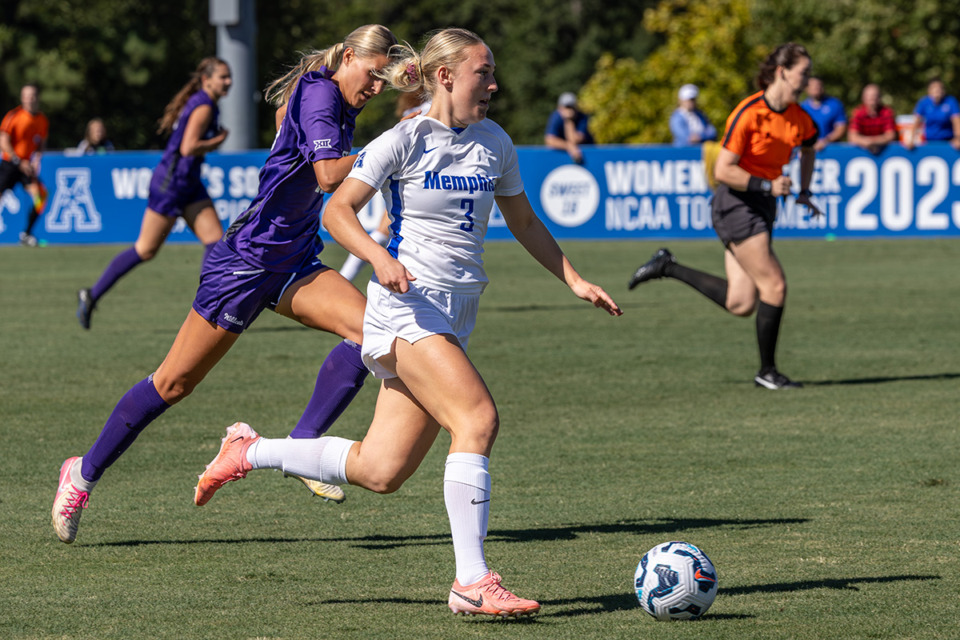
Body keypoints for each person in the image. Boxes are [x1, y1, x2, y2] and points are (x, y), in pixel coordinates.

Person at [193, 28, 622, 618]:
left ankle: (250, 450)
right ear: (445, 77)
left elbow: (523, 221)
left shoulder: (495, 142)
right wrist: (379, 259)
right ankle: (472, 580)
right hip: (406, 311)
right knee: (477, 419)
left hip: (454, 314)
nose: (493, 84)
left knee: (380, 469)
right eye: (482, 72)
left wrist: (573, 278)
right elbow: (338, 209)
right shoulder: (403, 139)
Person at [51, 25, 399, 545]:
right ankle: (81, 474)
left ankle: (302, 444)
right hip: (247, 263)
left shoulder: (326, 88)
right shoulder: (325, 92)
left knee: (373, 332)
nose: (376, 88)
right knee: (173, 384)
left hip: (294, 261)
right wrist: (392, 147)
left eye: (383, 81)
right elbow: (329, 176)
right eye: (372, 75)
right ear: (347, 56)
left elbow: (289, 120)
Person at [627, 42, 820, 390]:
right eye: (802, 73)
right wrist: (767, 185)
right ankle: (768, 372)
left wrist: (804, 190)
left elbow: (808, 148)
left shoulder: (800, 118)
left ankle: (666, 265)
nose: (807, 81)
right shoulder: (748, 113)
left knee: (741, 302)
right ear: (782, 72)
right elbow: (723, 170)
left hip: (761, 204)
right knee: (774, 285)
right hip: (735, 204)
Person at [75, 58, 232, 330]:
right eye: (223, 77)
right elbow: (187, 148)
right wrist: (216, 142)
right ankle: (92, 294)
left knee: (215, 242)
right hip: (171, 184)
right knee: (145, 250)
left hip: (188, 183)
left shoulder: (205, 102)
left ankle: (206, 309)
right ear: (207, 80)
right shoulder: (204, 105)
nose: (228, 81)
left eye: (229, 77)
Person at [338, 91, 429, 282]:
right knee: (383, 230)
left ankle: (345, 278)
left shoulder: (422, 108)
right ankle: (344, 278)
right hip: (415, 179)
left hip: (410, 177)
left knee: (384, 230)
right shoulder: (430, 110)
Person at [0, 84, 49, 247]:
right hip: (10, 163)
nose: (30, 99)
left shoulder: (42, 119)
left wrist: (37, 159)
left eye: (32, 95)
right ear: (22, 98)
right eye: (26, 96)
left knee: (41, 196)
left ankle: (27, 234)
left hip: (26, 166)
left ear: (37, 98)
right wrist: (17, 161)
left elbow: (41, 142)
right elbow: (3, 141)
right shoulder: (14, 116)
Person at [905, 78, 960, 151]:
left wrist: (958, 138)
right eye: (934, 88)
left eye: (939, 88)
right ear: (929, 90)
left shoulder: (951, 101)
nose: (937, 90)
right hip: (929, 141)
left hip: (947, 141)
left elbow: (956, 122)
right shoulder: (924, 102)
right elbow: (916, 122)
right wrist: (911, 139)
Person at [847, 84, 897, 155]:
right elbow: (852, 137)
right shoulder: (858, 113)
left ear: (879, 98)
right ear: (863, 98)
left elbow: (891, 135)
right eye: (869, 96)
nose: (872, 99)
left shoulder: (886, 112)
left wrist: (872, 142)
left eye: (874, 95)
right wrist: (866, 142)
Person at [544, 91, 593, 164]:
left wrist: (569, 121)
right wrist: (568, 146)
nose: (569, 110)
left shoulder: (582, 118)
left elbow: (575, 141)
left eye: (571, 107)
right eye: (566, 107)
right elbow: (549, 140)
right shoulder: (556, 117)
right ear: (559, 108)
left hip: (589, 157)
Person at [801, 76, 846, 152]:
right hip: (808, 149)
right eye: (813, 85)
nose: (816, 88)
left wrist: (825, 141)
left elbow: (841, 128)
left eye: (818, 85)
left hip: (831, 150)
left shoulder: (834, 104)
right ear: (807, 88)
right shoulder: (801, 108)